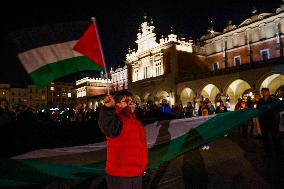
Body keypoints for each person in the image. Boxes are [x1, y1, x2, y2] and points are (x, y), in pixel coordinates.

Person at [98, 91, 148, 189]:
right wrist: (108, 108)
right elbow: (107, 125)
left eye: (132, 100)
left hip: (136, 173)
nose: (131, 103)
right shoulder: (117, 118)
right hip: (121, 175)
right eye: (126, 101)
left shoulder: (133, 119)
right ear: (117, 104)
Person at [258, 88, 284, 158]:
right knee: (265, 138)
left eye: (264, 92)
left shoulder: (274, 100)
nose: (263, 93)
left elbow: (281, 108)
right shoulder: (260, 101)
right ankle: (268, 153)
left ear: (268, 92)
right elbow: (258, 110)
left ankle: (279, 153)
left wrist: (272, 108)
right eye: (262, 92)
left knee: (276, 137)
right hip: (263, 122)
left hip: (273, 121)